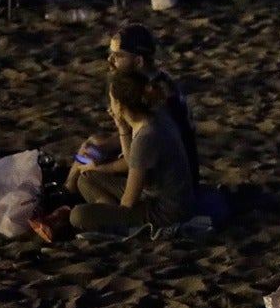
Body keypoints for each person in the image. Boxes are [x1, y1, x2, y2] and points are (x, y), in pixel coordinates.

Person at [67, 24, 200, 197]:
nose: (111, 61)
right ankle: (66, 191)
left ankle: (72, 198)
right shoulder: (153, 82)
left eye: (118, 56)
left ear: (139, 61)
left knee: (89, 172)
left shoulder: (157, 96)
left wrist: (101, 166)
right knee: (94, 143)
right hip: (155, 157)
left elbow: (144, 150)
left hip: (168, 179)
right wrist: (107, 144)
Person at [63, 69, 194, 235]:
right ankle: (107, 213)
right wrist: (122, 129)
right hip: (155, 197)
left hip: (165, 212)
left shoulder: (147, 137)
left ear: (118, 105)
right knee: (86, 179)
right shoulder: (154, 116)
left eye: (111, 100)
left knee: (78, 215)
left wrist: (116, 213)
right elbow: (132, 161)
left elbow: (128, 201)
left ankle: (110, 220)